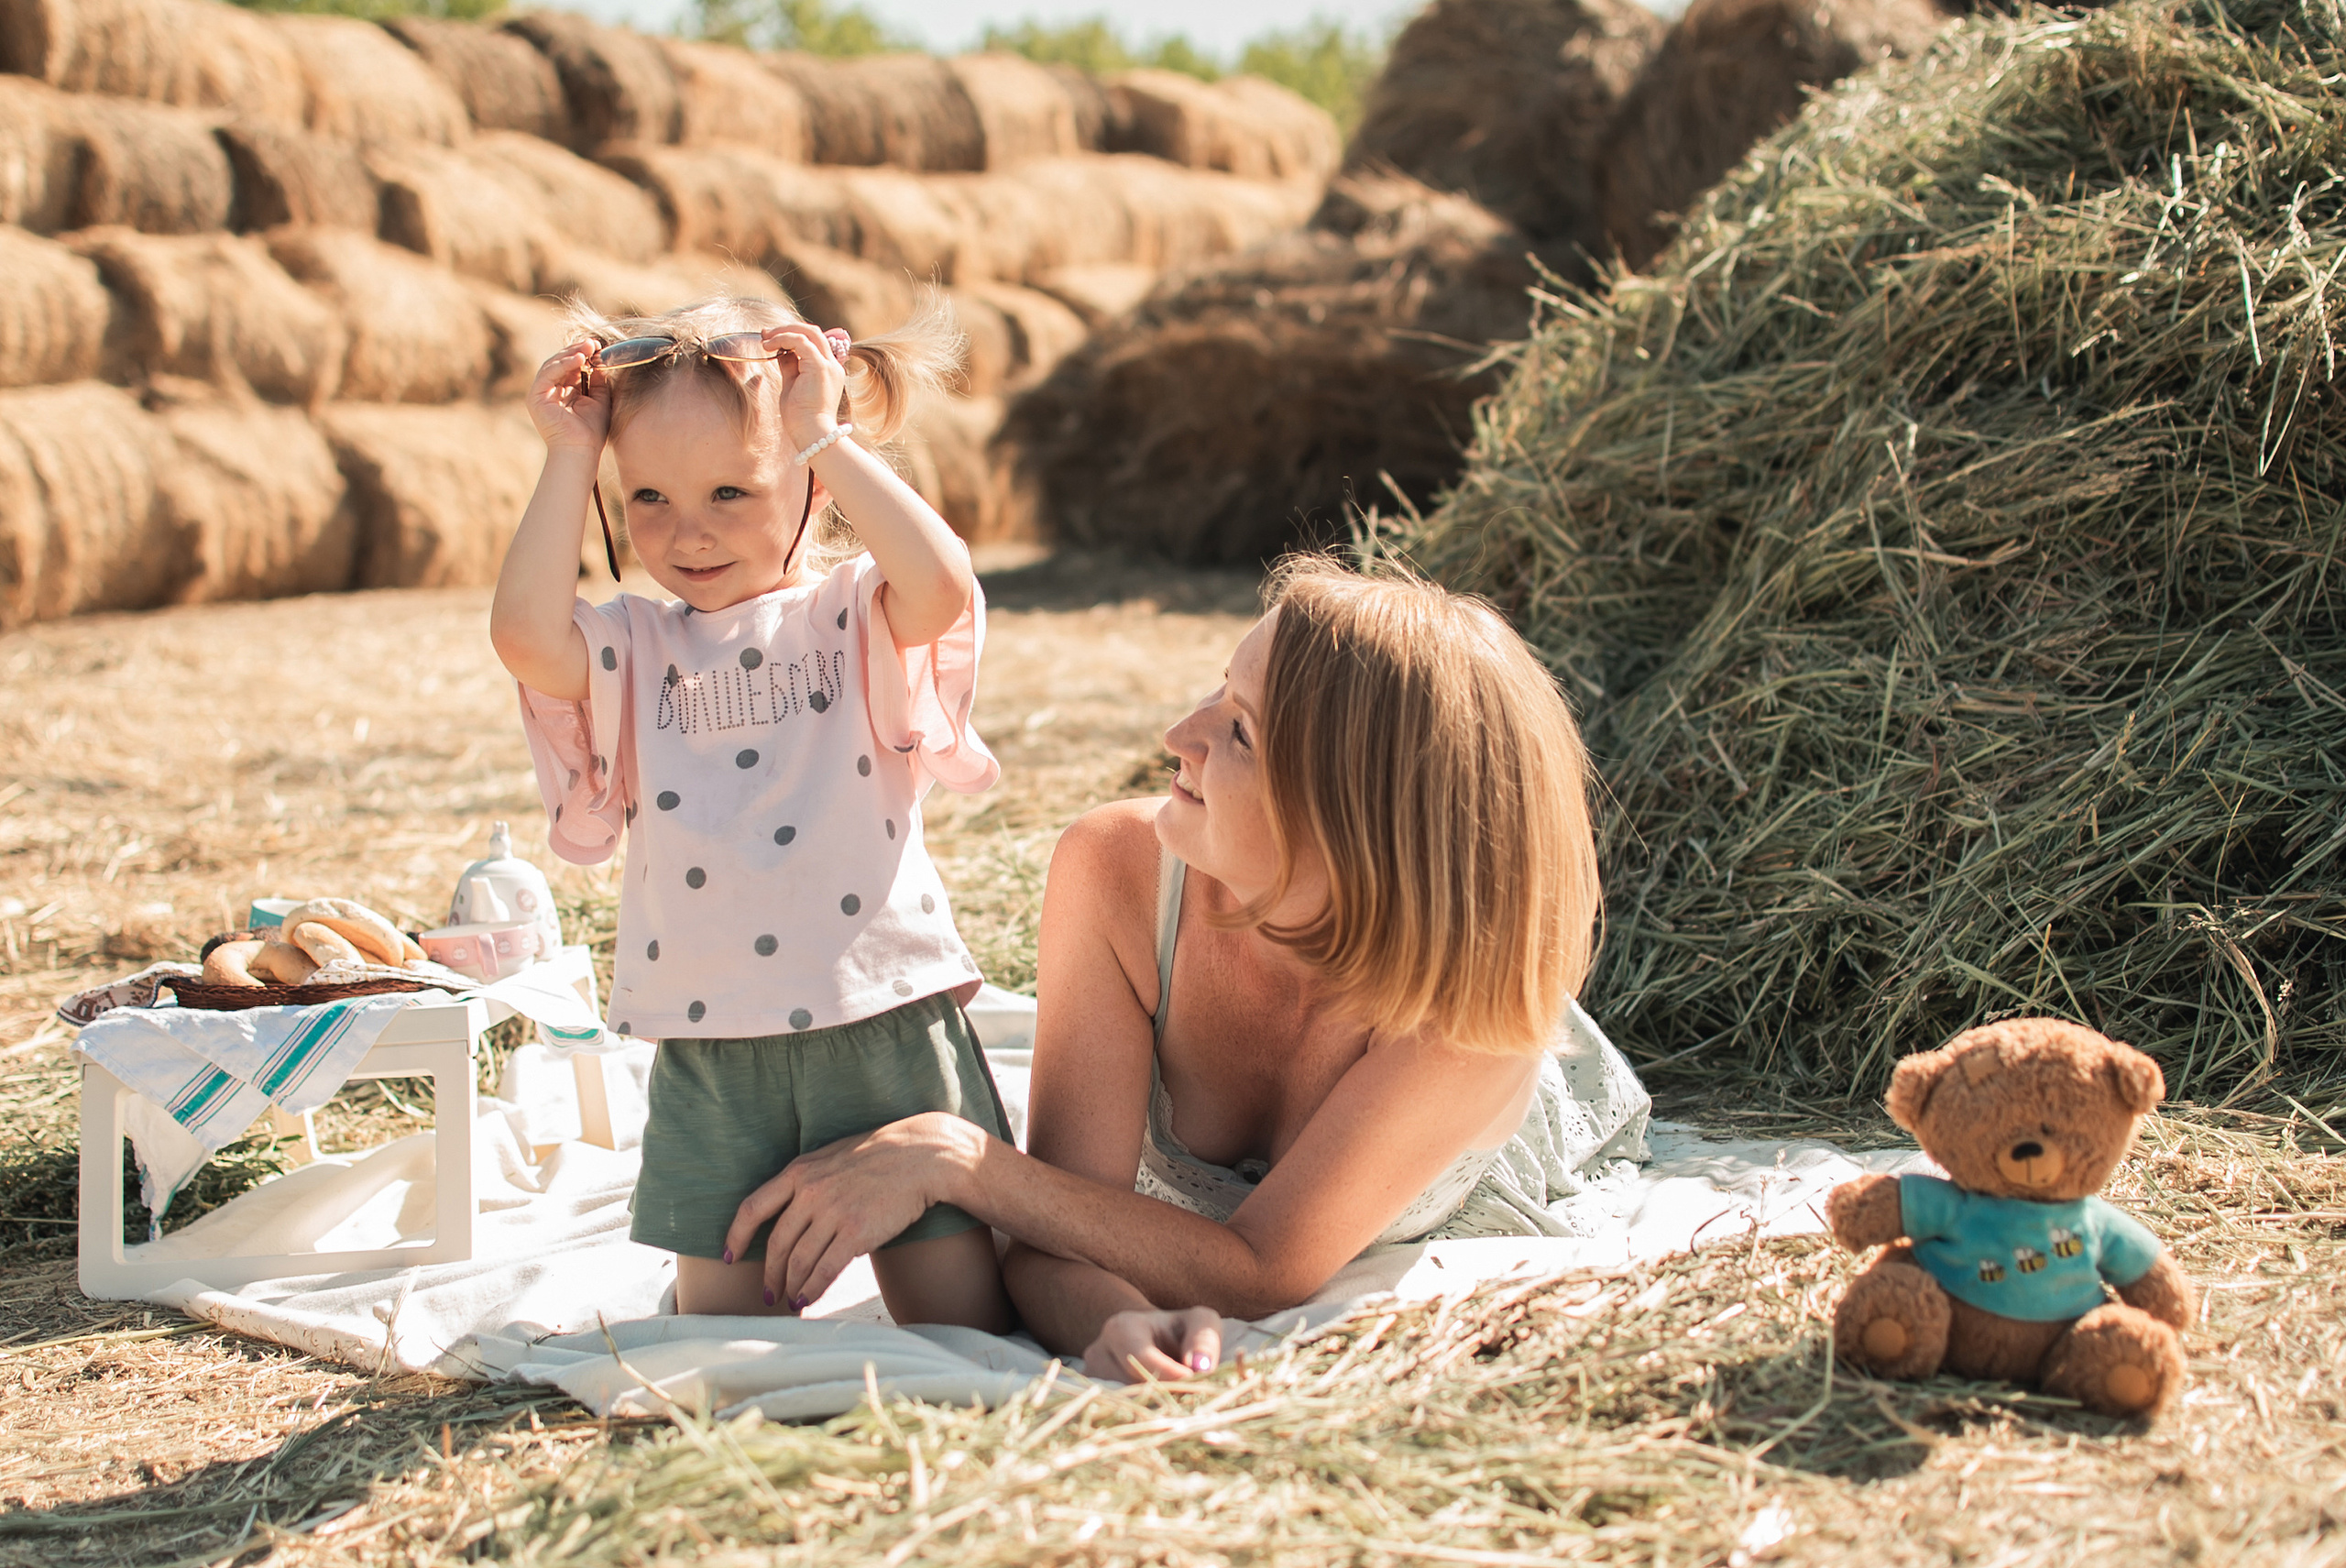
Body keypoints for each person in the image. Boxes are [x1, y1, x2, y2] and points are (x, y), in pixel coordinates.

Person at [720, 560, 1650, 1376]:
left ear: (1355, 823)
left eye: (1238, 731)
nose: (1178, 732)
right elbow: (1055, 1234)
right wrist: (1117, 1318)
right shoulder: (1117, 873)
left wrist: (959, 1162)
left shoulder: (1470, 1020)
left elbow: (1262, 1270)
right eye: (1218, 688)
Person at [489, 294, 1014, 1331]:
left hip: (883, 1019)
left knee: (961, 1330)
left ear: (812, 490)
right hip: (710, 1040)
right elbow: (523, 633)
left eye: (732, 489)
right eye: (646, 498)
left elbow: (944, 583)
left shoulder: (851, 613)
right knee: (720, 1345)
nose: (687, 532)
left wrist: (828, 432)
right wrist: (568, 453)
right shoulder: (634, 647)